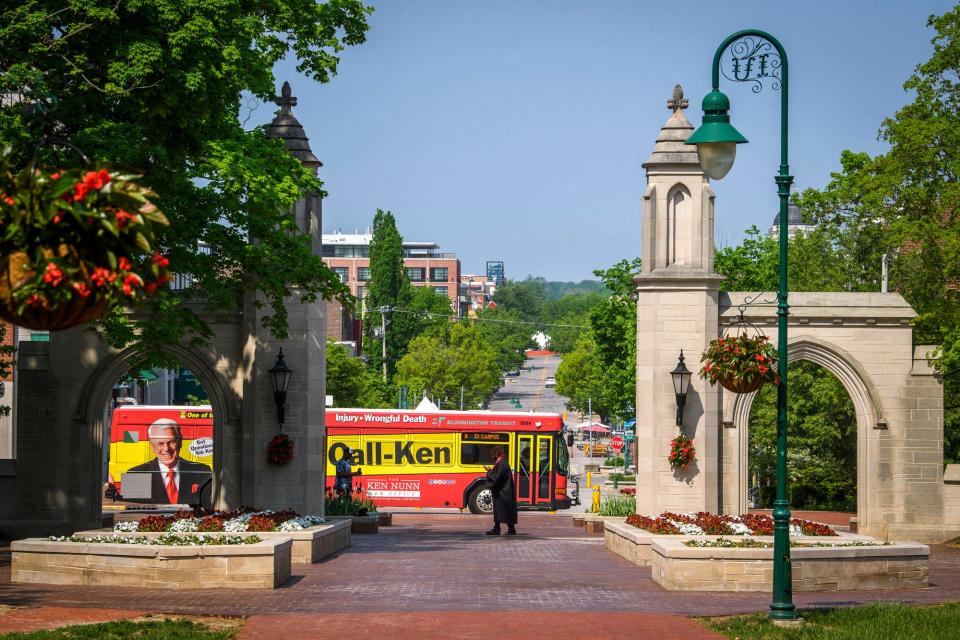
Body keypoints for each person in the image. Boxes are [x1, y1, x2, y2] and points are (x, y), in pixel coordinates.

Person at [123, 418, 212, 505]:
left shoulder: (203, 471)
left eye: (172, 442)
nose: (166, 449)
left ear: (180, 442)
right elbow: (133, 509)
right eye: (160, 444)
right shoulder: (135, 473)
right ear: (153, 447)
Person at [484, 444, 517, 535]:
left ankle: (503, 529)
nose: (491, 456)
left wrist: (489, 471)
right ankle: (503, 528)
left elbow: (497, 478)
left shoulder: (502, 463)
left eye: (492, 454)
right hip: (503, 491)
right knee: (503, 510)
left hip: (503, 492)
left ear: (495, 453)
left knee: (502, 510)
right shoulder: (502, 462)